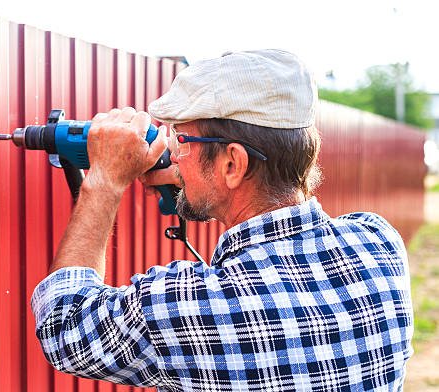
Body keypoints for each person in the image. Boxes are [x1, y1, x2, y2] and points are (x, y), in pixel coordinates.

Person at [31, 49, 413, 391]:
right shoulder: (378, 243)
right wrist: (203, 177)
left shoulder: (187, 309)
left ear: (233, 163)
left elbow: (65, 327)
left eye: (182, 140)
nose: (174, 154)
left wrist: (105, 180)